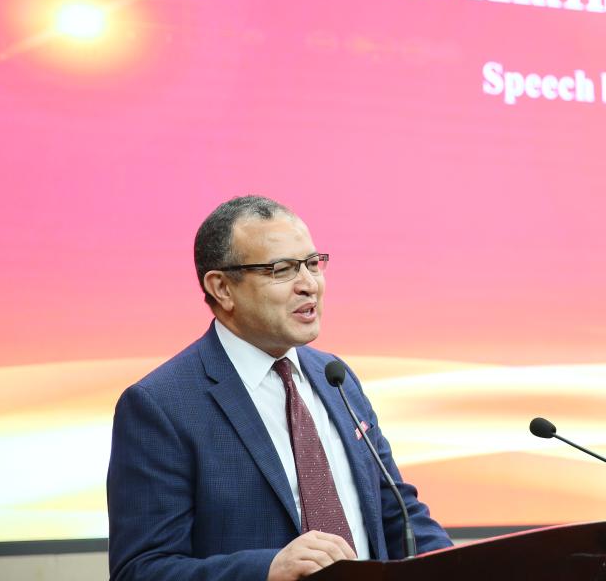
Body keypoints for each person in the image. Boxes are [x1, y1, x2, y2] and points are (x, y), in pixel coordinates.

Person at [107, 195, 452, 580]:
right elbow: (141, 570)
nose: (309, 285)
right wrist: (267, 570)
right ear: (222, 288)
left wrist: (463, 567)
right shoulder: (160, 406)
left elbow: (398, 514)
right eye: (282, 269)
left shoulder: (336, 378)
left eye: (313, 264)